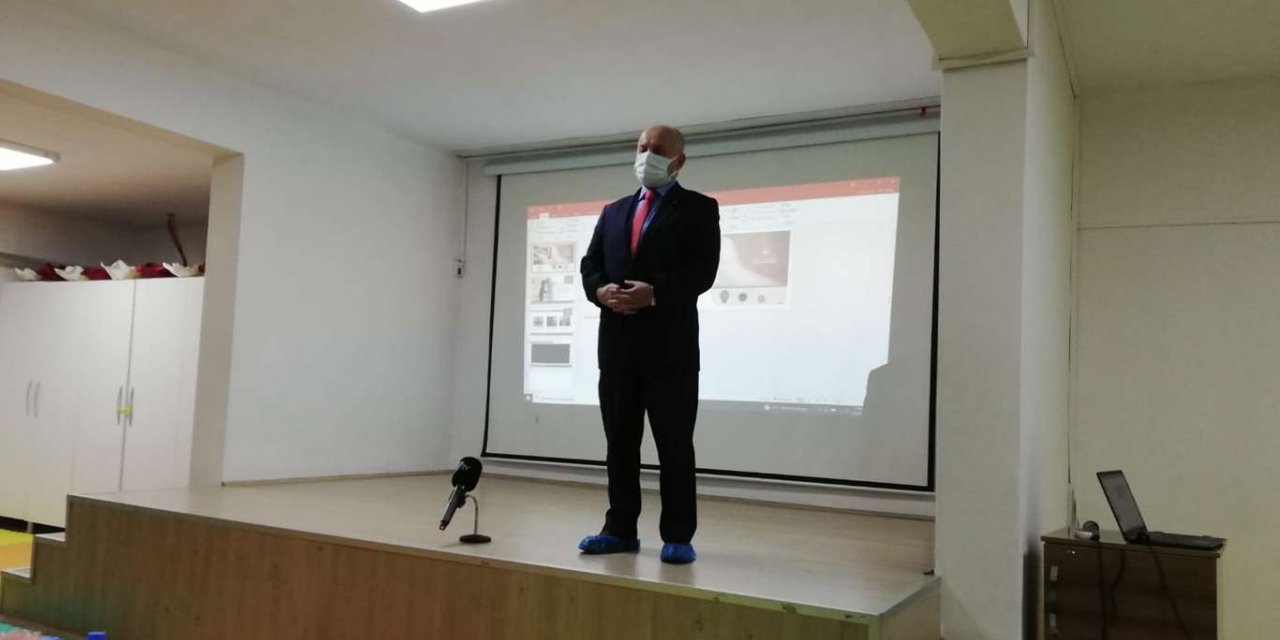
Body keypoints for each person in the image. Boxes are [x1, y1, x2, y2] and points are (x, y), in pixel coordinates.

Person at [577, 125, 721, 565]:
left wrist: (654, 293)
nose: (647, 155)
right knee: (620, 445)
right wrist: (600, 291)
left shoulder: (699, 209)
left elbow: (703, 273)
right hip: (617, 350)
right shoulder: (613, 211)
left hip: (671, 353)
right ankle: (619, 529)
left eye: (658, 149)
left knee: (674, 446)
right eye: (642, 147)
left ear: (679, 161)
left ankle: (677, 535)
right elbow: (590, 264)